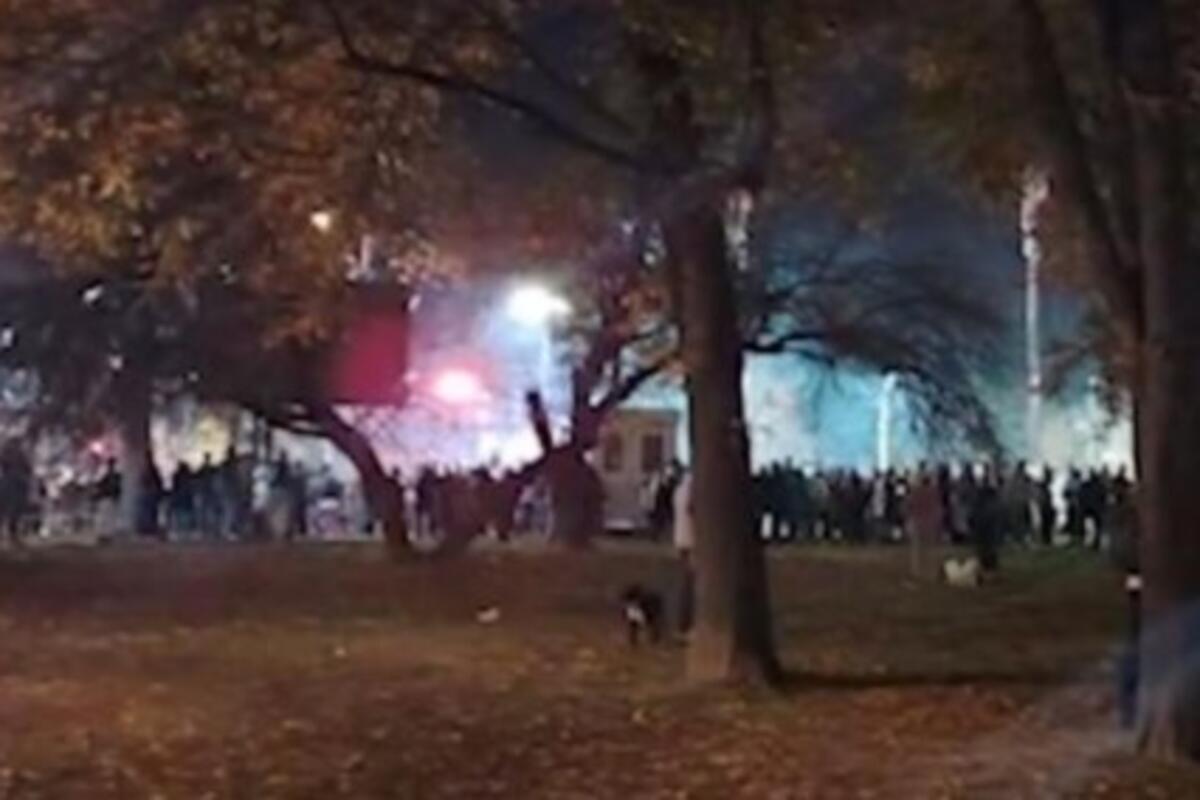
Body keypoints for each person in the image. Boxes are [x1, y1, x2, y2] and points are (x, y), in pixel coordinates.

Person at [672, 467, 694, 637]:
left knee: (686, 581)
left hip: (682, 539)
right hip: (692, 540)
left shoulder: (680, 489)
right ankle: (685, 624)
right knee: (690, 583)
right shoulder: (693, 489)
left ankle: (683, 623)